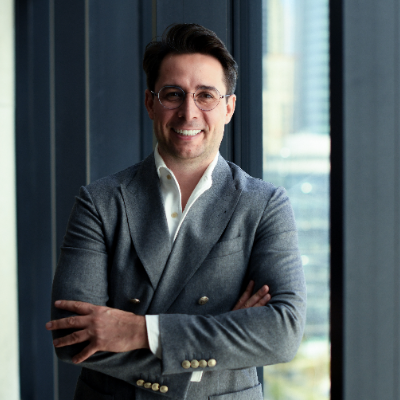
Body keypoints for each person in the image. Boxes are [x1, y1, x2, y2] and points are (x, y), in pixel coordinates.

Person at [46, 23, 306, 400]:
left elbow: (282, 333)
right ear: (150, 103)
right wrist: (225, 336)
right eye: (173, 94)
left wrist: (139, 331)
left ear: (229, 107)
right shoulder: (99, 201)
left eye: (206, 96)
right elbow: (73, 336)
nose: (188, 112)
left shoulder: (265, 204)